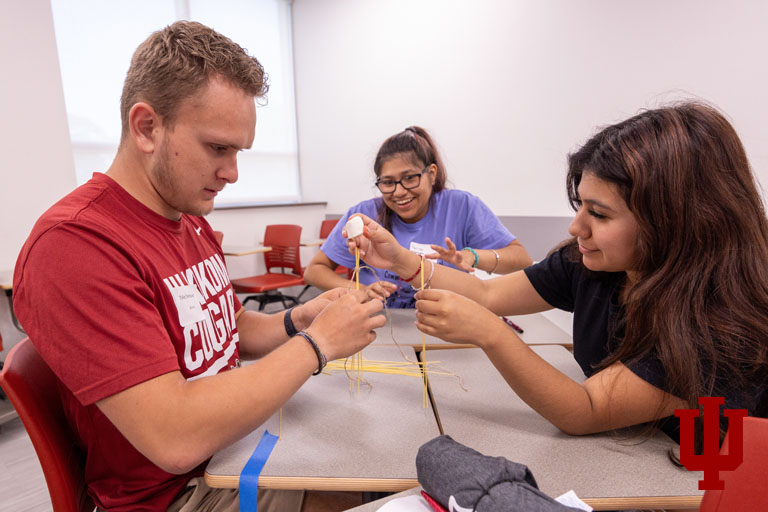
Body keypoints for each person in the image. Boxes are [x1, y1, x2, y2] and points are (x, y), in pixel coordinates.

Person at [13, 21, 385, 512]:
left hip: (230, 449)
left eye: (239, 152)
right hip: (178, 494)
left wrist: (300, 320)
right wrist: (319, 346)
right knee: (380, 488)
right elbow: (175, 438)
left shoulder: (188, 219)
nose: (232, 173)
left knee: (376, 456)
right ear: (147, 127)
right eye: (218, 147)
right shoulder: (77, 245)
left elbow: (229, 328)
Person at [346, 103, 768, 443]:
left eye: (599, 214)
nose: (576, 227)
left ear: (677, 221)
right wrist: (402, 260)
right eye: (580, 205)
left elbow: (585, 411)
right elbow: (490, 296)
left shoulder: (710, 323)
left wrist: (491, 333)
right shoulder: (590, 265)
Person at [303, 126, 533, 308]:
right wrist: (358, 289)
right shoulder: (363, 216)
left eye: (410, 178)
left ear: (431, 174)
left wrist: (471, 256)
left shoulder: (462, 206)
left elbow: (521, 260)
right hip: (381, 327)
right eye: (388, 182)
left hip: (448, 327)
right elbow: (315, 270)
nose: (400, 191)